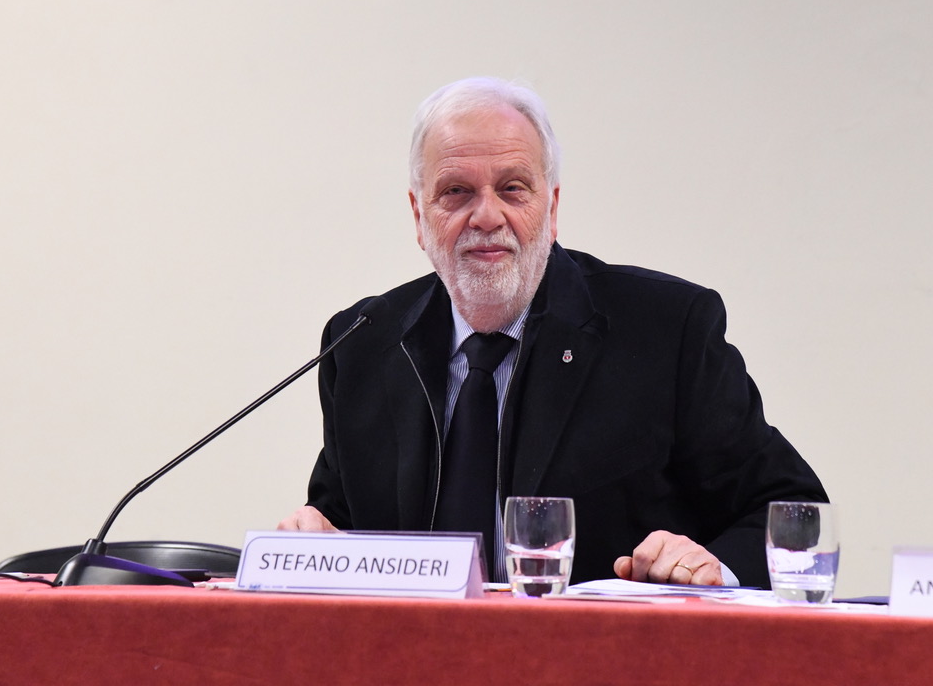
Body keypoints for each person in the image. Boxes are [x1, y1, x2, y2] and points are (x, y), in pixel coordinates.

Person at [279, 77, 827, 587]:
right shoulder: (362, 343)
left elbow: (798, 516)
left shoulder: (664, 330)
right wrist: (315, 539)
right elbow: (340, 523)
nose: (486, 216)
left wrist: (711, 568)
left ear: (552, 207)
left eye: (513, 188)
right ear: (419, 217)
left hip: (606, 655)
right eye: (456, 192)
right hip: (415, 658)